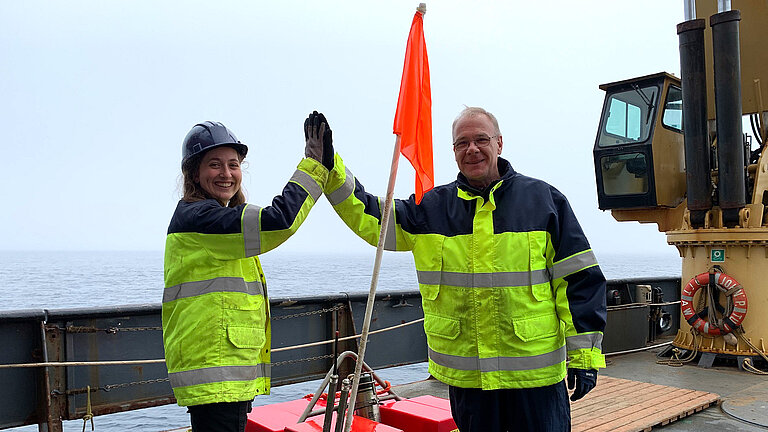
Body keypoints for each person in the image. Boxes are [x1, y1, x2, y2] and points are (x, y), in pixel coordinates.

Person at [320, 107, 606, 431]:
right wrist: (332, 169)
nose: (472, 149)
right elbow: (374, 217)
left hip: (536, 384)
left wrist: (584, 359)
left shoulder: (544, 201)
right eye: (462, 143)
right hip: (471, 388)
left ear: (499, 143)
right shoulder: (429, 207)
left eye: (481, 139)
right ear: (454, 152)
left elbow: (579, 280)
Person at [163, 113, 333, 432]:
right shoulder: (201, 219)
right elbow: (278, 220)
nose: (226, 173)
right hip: (216, 372)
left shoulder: (214, 218)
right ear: (195, 174)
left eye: (233, 164)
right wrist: (314, 166)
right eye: (215, 164)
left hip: (224, 370)